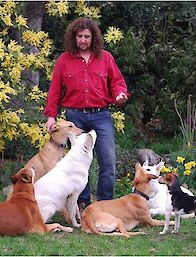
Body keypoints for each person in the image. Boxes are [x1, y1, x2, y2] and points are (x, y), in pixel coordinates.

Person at [43, 17, 129, 213]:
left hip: (101, 116)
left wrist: (120, 94)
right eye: (80, 36)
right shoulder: (64, 60)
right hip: (75, 117)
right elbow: (55, 90)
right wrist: (51, 116)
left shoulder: (105, 58)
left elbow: (117, 82)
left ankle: (105, 204)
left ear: (93, 38)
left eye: (87, 37)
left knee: (108, 160)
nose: (83, 40)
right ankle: (82, 204)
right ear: (74, 38)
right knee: (77, 162)